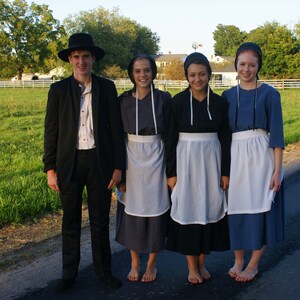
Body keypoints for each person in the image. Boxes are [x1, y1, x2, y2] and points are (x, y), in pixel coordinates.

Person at [43, 32, 125, 291]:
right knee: (70, 221)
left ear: (93, 59)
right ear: (70, 59)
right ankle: (69, 274)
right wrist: (50, 168)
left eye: (86, 57)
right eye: (77, 57)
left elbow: (115, 131)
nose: (81, 61)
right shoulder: (58, 90)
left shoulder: (106, 88)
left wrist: (118, 166)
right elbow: (51, 131)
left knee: (99, 221)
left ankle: (104, 273)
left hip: (99, 162)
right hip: (69, 163)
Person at [165, 52, 231, 284]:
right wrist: (170, 173)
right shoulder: (177, 102)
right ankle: (191, 268)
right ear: (186, 76)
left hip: (212, 161)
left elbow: (225, 139)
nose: (197, 79)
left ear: (209, 75)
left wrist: (225, 172)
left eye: (202, 74)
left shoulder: (221, 102)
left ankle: (202, 265)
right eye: (192, 74)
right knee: (188, 210)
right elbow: (170, 140)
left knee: (208, 210)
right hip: (186, 162)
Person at [222, 42, 285, 282]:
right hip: (235, 158)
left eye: (251, 65)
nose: (246, 69)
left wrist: (277, 171)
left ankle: (254, 263)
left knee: (262, 208)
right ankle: (238, 260)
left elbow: (277, 134)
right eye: (242, 64)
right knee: (235, 208)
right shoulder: (227, 96)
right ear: (236, 66)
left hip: (261, 157)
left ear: (258, 67)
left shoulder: (270, 94)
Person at [115, 53, 171, 283]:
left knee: (156, 211)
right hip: (131, 159)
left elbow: (171, 135)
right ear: (131, 74)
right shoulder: (124, 100)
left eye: (146, 70)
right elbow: (117, 137)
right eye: (137, 71)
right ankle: (135, 262)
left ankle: (151, 264)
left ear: (153, 72)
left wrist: (172, 170)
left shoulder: (164, 99)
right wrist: (119, 173)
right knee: (133, 211)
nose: (142, 75)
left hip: (158, 158)